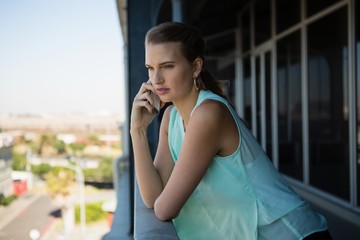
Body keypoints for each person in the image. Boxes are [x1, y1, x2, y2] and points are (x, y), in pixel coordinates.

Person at [130, 21, 332, 240]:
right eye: (151, 68)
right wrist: (137, 131)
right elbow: (153, 198)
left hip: (292, 234)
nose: (156, 79)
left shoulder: (208, 114)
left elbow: (164, 208)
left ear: (196, 67)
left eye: (167, 66)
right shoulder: (171, 117)